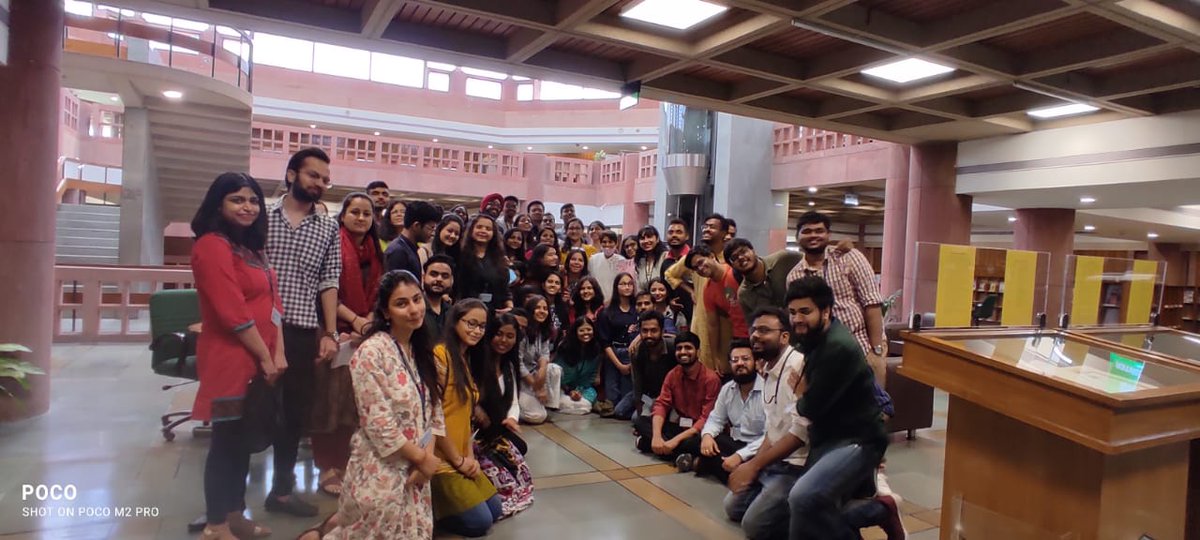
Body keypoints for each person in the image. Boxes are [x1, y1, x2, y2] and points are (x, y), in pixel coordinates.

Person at [190, 173, 283, 540]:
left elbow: (274, 305)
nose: (248, 207)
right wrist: (265, 357)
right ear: (218, 204)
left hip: (261, 357)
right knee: (226, 443)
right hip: (231, 359)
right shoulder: (212, 246)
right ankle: (215, 524)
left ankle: (234, 514)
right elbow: (233, 313)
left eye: (253, 201)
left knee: (243, 442)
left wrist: (279, 351)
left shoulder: (251, 249)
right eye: (237, 200)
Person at [319, 270, 444, 540]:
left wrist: (425, 463)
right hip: (382, 472)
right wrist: (423, 460)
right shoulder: (370, 353)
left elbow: (434, 411)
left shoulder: (422, 351)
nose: (414, 309)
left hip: (416, 474)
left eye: (417, 299)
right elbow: (378, 423)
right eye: (402, 303)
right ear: (386, 312)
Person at [785, 278, 906, 539]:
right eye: (793, 312)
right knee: (803, 515)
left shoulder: (836, 347)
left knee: (803, 497)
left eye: (805, 311)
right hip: (830, 438)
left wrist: (801, 392)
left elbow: (810, 407)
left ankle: (878, 510)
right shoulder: (817, 338)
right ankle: (879, 509)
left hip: (859, 440)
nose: (797, 319)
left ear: (826, 311)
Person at [265, 147, 341, 517]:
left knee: (294, 415)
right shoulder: (261, 217)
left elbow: (328, 282)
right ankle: (224, 504)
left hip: (300, 331)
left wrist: (329, 332)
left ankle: (280, 492)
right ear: (292, 173)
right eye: (314, 175)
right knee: (240, 413)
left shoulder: (328, 227)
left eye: (325, 179)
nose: (320, 184)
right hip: (255, 330)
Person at [313, 192, 383, 498]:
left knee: (357, 404)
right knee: (330, 402)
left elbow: (381, 291)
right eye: (355, 212)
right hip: (331, 331)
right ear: (343, 216)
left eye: (367, 214)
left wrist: (367, 322)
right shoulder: (332, 244)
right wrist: (354, 322)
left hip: (365, 334)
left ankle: (351, 462)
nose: (361, 218)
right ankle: (328, 466)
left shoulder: (375, 251)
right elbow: (325, 288)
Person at [724, 308, 807, 540]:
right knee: (732, 508)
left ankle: (809, 513)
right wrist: (753, 465)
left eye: (764, 330)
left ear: (784, 336)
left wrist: (752, 466)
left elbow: (798, 435)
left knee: (754, 527)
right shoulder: (769, 369)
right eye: (753, 330)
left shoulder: (798, 367)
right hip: (775, 461)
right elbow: (773, 429)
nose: (755, 336)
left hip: (797, 465)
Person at [786, 211, 889, 384]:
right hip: (823, 355)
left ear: (828, 235)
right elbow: (800, 322)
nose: (813, 235)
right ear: (798, 237)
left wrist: (877, 350)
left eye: (819, 231)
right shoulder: (794, 276)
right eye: (807, 231)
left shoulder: (849, 257)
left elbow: (872, 303)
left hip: (862, 347)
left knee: (870, 407)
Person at [432, 300, 502, 537]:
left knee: (495, 509)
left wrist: (469, 457)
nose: (477, 331)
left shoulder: (466, 358)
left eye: (482, 326)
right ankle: (432, 509)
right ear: (455, 322)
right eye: (471, 323)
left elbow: (465, 418)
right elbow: (434, 418)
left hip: (462, 452)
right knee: (479, 523)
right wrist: (458, 461)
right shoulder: (440, 356)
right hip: (440, 459)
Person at [471, 312, 535, 519]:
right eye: (499, 334)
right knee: (506, 485)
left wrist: (512, 419)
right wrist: (475, 408)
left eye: (510, 336)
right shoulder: (476, 363)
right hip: (474, 435)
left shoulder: (508, 365)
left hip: (496, 431)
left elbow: (514, 402)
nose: (504, 341)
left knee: (520, 461)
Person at [633, 331, 721, 469]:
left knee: (701, 442)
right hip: (680, 426)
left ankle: (650, 445)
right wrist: (656, 436)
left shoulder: (711, 379)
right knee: (640, 421)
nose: (683, 352)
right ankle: (681, 456)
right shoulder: (673, 374)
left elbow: (706, 419)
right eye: (679, 348)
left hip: (698, 431)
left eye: (688, 348)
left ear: (698, 351)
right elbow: (662, 404)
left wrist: (674, 441)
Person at [666, 214, 732, 375]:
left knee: (727, 365)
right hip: (702, 316)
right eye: (705, 226)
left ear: (724, 233)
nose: (707, 229)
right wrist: (691, 291)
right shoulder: (695, 256)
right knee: (703, 363)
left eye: (712, 227)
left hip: (728, 319)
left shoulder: (730, 256)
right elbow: (670, 274)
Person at [696, 340, 765, 485]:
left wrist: (740, 456)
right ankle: (737, 476)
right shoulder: (728, 389)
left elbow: (772, 436)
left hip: (760, 450)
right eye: (735, 360)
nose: (740, 363)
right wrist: (707, 436)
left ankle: (724, 471)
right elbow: (716, 419)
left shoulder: (769, 390)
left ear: (756, 362)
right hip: (735, 444)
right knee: (706, 440)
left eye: (745, 359)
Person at [687, 244, 750, 345]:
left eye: (701, 262)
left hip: (760, 329)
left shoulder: (736, 270)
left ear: (711, 256)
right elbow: (713, 325)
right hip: (740, 338)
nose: (700, 268)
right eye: (696, 268)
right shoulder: (708, 291)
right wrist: (715, 355)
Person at [595, 273, 638, 419]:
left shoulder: (637, 310)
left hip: (631, 352)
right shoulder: (607, 312)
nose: (627, 287)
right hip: (613, 354)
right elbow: (605, 342)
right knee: (612, 397)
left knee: (626, 402)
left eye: (630, 284)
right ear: (616, 287)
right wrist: (619, 365)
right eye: (623, 284)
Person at [726, 238, 802, 320]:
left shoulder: (783, 259)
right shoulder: (744, 294)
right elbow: (753, 326)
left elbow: (811, 260)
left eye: (743, 251)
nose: (740, 257)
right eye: (734, 257)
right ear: (732, 265)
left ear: (753, 250)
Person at [517, 295, 563, 424]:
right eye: (538, 308)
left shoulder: (544, 331)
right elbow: (518, 363)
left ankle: (548, 407)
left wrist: (542, 369)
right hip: (520, 377)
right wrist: (537, 388)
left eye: (545, 308)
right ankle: (514, 408)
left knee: (554, 369)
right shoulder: (522, 331)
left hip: (535, 373)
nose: (542, 311)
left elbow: (545, 354)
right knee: (536, 417)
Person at [456, 213, 512, 312]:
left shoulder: (499, 258)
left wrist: (509, 307)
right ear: (471, 230)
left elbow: (505, 289)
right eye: (479, 227)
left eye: (488, 229)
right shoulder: (460, 254)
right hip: (466, 310)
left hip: (495, 310)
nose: (483, 231)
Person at [628, 310, 677, 419]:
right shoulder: (636, 352)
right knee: (636, 418)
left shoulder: (673, 348)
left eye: (653, 331)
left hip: (675, 399)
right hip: (652, 398)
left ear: (662, 331)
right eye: (644, 331)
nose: (649, 335)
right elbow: (637, 385)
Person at [554, 317, 602, 415]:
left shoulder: (595, 348)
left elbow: (590, 377)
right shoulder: (565, 347)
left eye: (589, 330)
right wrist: (570, 391)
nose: (586, 333)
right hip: (562, 388)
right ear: (575, 332)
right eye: (581, 330)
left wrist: (579, 392)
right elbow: (560, 375)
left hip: (583, 388)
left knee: (585, 406)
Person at [385, 200, 440, 277]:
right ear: (416, 226)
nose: (433, 233)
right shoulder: (398, 252)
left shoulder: (409, 247)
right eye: (431, 228)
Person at [589, 230, 629, 300]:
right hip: (596, 299)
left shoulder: (622, 261)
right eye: (604, 242)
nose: (607, 244)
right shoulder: (593, 259)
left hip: (615, 300)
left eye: (610, 242)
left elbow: (623, 282)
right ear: (600, 243)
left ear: (616, 244)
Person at [423, 255, 456, 336]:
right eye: (433, 274)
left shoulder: (453, 313)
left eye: (445, 276)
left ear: (451, 281)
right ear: (423, 277)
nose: (439, 279)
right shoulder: (415, 309)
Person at [633, 225, 668, 292]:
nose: (646, 241)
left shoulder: (665, 256)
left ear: (657, 239)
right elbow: (639, 287)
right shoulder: (640, 261)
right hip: (645, 300)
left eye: (649, 237)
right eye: (642, 238)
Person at [540, 272, 569, 337]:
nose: (553, 285)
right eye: (550, 282)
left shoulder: (563, 308)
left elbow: (565, 328)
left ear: (560, 289)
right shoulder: (537, 304)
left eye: (557, 283)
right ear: (543, 285)